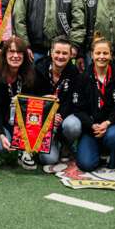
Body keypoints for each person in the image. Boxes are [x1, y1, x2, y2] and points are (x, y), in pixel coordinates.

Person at [0, 37, 43, 169]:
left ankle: (24, 151)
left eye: (19, 52)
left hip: (16, 121)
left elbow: (37, 102)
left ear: (24, 55)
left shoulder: (30, 74)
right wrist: (0, 134)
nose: (15, 56)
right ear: (4, 54)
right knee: (1, 144)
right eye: (11, 52)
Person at [74, 36, 115, 171]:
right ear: (91, 55)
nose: (101, 57)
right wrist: (92, 125)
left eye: (105, 53)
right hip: (91, 127)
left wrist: (108, 123)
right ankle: (98, 151)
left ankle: (114, 153)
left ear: (111, 55)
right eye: (98, 53)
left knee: (114, 136)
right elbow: (78, 109)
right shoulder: (83, 77)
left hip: (112, 126)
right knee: (86, 165)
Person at [34, 38, 83, 166]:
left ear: (71, 55)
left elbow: (74, 102)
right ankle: (48, 141)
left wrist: (59, 116)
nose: (60, 56)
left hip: (62, 119)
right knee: (49, 160)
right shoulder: (38, 69)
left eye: (65, 53)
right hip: (42, 121)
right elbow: (30, 99)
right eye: (58, 52)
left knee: (73, 125)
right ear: (51, 52)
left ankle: (66, 144)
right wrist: (48, 115)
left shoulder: (74, 73)